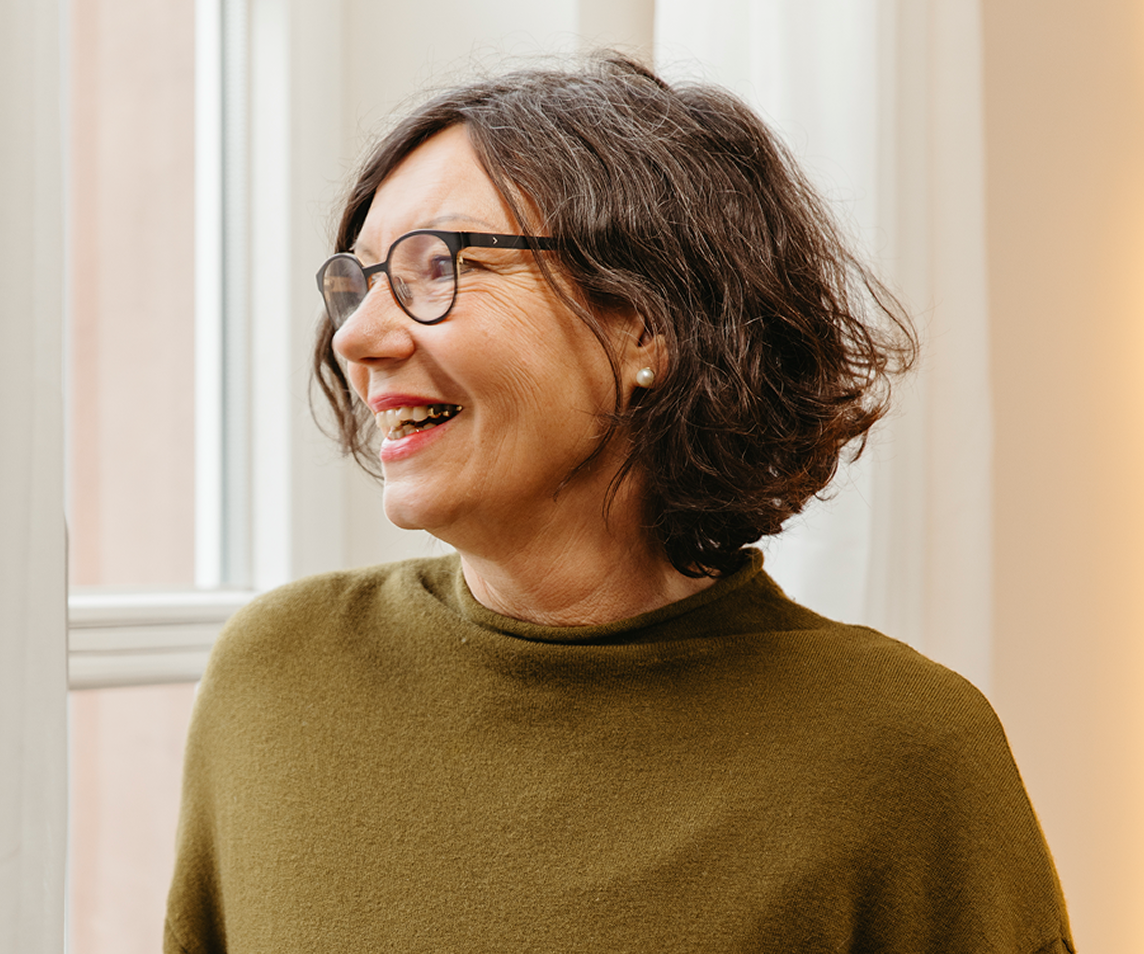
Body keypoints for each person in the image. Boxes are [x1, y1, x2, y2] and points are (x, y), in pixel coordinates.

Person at [165, 54, 1073, 953]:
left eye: (436, 265)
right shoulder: (275, 677)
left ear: (647, 322)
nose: (358, 335)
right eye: (355, 284)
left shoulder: (902, 751)